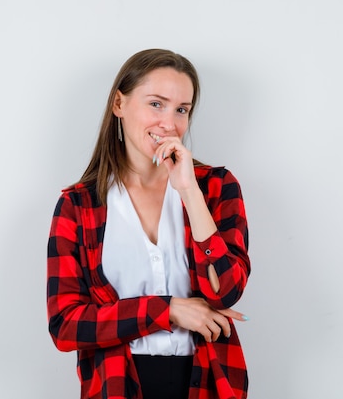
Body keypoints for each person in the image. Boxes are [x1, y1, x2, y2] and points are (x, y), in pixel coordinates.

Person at [46, 48, 251, 399]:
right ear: (119, 104)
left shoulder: (216, 187)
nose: (169, 123)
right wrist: (168, 310)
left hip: (206, 382)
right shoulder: (78, 205)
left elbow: (225, 291)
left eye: (181, 110)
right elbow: (65, 325)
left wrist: (188, 191)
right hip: (117, 385)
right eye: (156, 104)